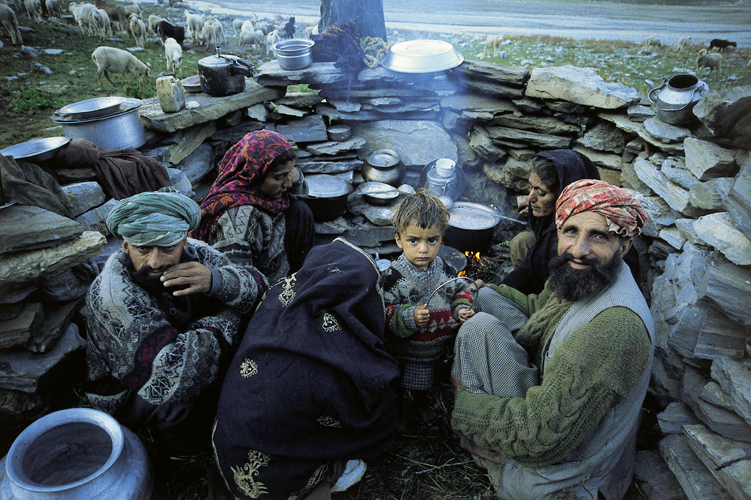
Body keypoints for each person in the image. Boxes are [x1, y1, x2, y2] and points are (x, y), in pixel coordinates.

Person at [451, 179, 654, 500]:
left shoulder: (615, 326)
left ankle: (484, 443)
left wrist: (465, 405)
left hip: (566, 467)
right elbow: (541, 312)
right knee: (484, 302)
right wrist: (484, 292)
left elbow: (542, 436)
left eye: (598, 236)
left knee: (477, 328)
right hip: (553, 396)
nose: (579, 248)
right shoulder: (586, 274)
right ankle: (487, 434)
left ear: (624, 246)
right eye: (571, 231)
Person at [212, 237, 400, 500]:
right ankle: (329, 475)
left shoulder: (278, 295)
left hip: (228, 442)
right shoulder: (335, 349)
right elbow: (370, 398)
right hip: (275, 475)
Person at [84, 188, 269, 452]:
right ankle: (189, 444)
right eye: (143, 248)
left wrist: (215, 280)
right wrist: (229, 317)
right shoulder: (114, 297)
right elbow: (174, 376)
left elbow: (261, 287)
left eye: (168, 247)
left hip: (181, 345)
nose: (156, 261)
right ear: (125, 246)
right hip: (125, 391)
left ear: (184, 242)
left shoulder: (197, 253)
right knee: (185, 406)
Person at [382, 190, 475, 426]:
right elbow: (384, 310)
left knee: (426, 379)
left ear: (441, 238)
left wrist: (460, 308)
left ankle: (420, 405)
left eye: (431, 240)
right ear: (398, 239)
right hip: (407, 348)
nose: (423, 249)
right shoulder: (393, 276)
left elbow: (459, 290)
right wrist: (409, 316)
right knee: (400, 380)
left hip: (436, 345)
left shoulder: (444, 269)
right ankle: (400, 410)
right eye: (414, 240)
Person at [191, 130, 315, 284]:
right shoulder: (238, 223)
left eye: (289, 173)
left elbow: (297, 190)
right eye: (279, 177)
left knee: (300, 210)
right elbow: (237, 285)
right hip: (263, 294)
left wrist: (294, 176)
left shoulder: (260, 193)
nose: (288, 183)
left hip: (274, 266)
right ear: (253, 176)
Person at [503, 149, 600, 295]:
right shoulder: (565, 207)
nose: (530, 198)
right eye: (530, 187)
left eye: (541, 193)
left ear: (563, 194)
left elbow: (533, 264)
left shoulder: (574, 229)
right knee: (522, 241)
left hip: (564, 292)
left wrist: (496, 289)